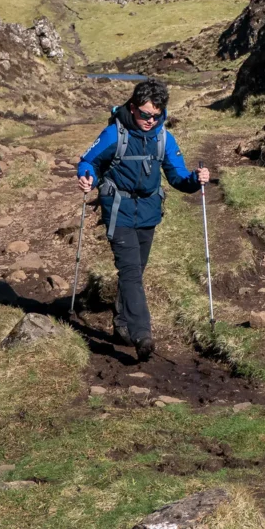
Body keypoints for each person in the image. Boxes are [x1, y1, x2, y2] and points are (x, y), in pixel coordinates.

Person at [76, 78, 209, 361]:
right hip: (118, 211)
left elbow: (177, 177)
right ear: (133, 107)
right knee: (131, 273)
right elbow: (89, 161)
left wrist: (196, 180)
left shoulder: (164, 138)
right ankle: (141, 334)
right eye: (145, 114)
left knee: (137, 269)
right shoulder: (114, 134)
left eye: (156, 115)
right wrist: (86, 176)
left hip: (148, 212)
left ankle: (123, 323)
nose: (150, 120)